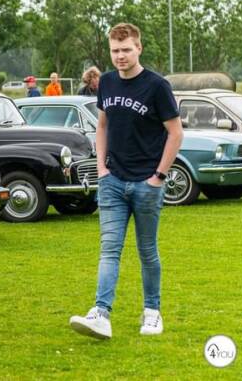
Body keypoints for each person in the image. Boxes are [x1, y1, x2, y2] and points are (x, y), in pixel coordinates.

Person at [69, 23, 182, 340]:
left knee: (147, 251)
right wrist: (101, 169)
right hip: (112, 182)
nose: (120, 56)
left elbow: (175, 133)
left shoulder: (157, 86)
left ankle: (152, 312)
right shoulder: (105, 82)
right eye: (115, 50)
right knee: (109, 250)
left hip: (147, 184)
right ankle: (101, 313)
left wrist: (158, 177)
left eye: (126, 50)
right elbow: (102, 126)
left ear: (139, 49)